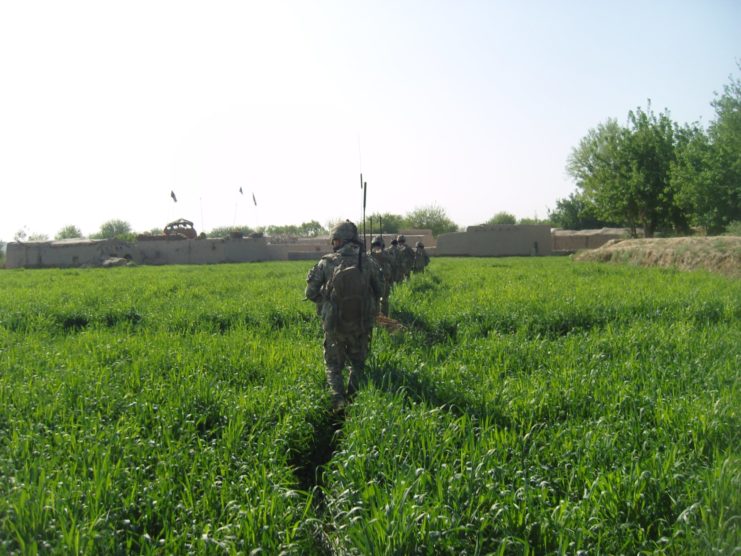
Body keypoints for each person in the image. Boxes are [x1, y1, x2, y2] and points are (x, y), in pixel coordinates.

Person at [305, 220, 384, 411]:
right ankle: (355, 397)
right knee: (357, 363)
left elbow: (310, 293)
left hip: (334, 324)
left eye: (334, 240)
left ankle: (338, 400)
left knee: (333, 364)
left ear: (338, 241)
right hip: (361, 322)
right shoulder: (368, 261)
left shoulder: (326, 262)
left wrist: (327, 301)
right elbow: (380, 290)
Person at [369, 235, 393, 315]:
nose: (377, 247)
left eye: (378, 245)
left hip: (383, 280)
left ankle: (383, 316)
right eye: (376, 245)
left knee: (382, 300)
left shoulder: (386, 254)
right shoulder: (369, 255)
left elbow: (391, 263)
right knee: (378, 300)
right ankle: (378, 317)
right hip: (375, 281)